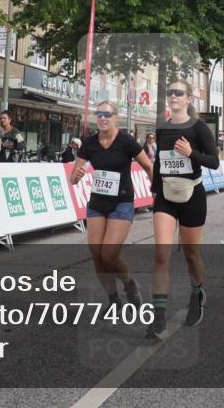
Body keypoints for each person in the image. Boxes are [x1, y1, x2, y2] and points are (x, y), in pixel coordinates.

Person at [149, 80, 220, 339]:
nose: (173, 97)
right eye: (170, 93)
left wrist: (191, 153)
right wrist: (155, 189)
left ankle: (197, 291)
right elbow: (159, 160)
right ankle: (158, 320)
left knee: (191, 254)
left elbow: (213, 162)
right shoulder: (162, 128)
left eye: (179, 93)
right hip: (166, 196)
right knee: (161, 255)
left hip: (193, 195)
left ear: (189, 98)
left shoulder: (199, 127)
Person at [70, 100, 153, 310]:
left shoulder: (126, 141)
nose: (103, 118)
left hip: (121, 202)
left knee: (109, 254)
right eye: (100, 114)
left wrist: (156, 192)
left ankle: (129, 284)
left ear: (116, 117)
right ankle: (113, 299)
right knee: (97, 255)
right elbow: (73, 178)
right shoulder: (89, 143)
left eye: (108, 114)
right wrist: (77, 175)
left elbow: (148, 166)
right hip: (97, 203)